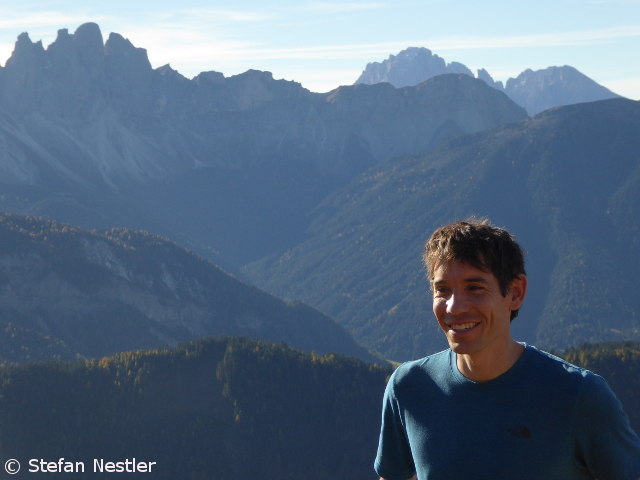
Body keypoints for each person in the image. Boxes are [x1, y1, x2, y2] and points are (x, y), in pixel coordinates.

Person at [374, 218, 640, 480]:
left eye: (475, 288)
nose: (454, 307)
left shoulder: (578, 396)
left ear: (515, 292)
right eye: (441, 290)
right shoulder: (409, 387)